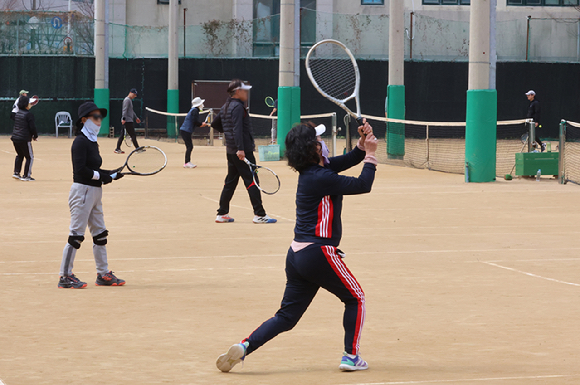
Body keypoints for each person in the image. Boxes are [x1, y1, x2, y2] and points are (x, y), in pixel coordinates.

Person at [216, 120, 379, 373]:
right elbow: (363, 185)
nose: (323, 144)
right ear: (314, 149)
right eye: (319, 141)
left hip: (296, 255)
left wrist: (361, 146)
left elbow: (346, 160)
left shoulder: (315, 171)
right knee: (355, 298)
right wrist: (371, 156)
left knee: (286, 317)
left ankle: (244, 346)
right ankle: (351, 356)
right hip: (318, 253)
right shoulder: (321, 177)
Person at [58, 102, 125, 289]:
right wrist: (103, 177)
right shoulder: (80, 142)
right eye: (95, 117)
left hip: (94, 192)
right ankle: (64, 276)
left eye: (100, 117)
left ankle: (103, 274)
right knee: (76, 236)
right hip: (82, 192)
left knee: (100, 234)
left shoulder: (92, 141)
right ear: (84, 120)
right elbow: (81, 170)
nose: (99, 120)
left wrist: (110, 173)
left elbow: (94, 169)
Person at [215, 79, 276, 224]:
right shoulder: (237, 108)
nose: (246, 92)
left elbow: (216, 123)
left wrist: (229, 136)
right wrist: (241, 149)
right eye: (244, 90)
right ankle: (259, 214)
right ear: (237, 92)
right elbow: (237, 129)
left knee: (230, 181)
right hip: (242, 151)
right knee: (252, 181)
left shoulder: (225, 106)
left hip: (231, 151)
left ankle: (222, 213)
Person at [11, 95, 38, 181]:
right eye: (29, 103)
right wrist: (35, 136)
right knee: (29, 157)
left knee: (20, 155)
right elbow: (32, 127)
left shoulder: (17, 114)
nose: (30, 104)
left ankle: (16, 173)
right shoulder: (29, 115)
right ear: (26, 104)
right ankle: (26, 175)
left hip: (15, 138)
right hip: (24, 139)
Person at [180, 97, 209, 168]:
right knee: (190, 146)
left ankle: (187, 162)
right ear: (199, 105)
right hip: (185, 131)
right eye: (202, 104)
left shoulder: (194, 110)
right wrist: (201, 124)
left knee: (189, 146)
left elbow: (194, 121)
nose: (203, 105)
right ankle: (187, 162)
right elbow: (195, 121)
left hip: (185, 130)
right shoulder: (195, 110)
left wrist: (201, 124)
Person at [115, 88, 141, 154]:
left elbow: (131, 111)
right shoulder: (127, 100)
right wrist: (123, 119)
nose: (135, 96)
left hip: (128, 120)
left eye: (135, 95)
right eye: (134, 94)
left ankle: (117, 149)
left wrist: (136, 117)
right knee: (133, 135)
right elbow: (125, 110)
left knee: (122, 134)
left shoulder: (129, 100)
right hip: (127, 121)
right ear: (130, 93)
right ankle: (137, 148)